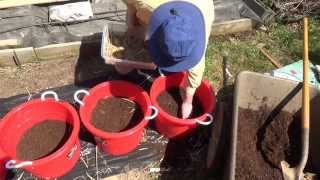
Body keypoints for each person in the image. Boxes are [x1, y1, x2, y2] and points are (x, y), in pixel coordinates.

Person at [117, 0, 214, 119]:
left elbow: (195, 72)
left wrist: (188, 102)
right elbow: (130, 3)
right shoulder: (145, 4)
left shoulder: (201, 26)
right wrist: (132, 22)